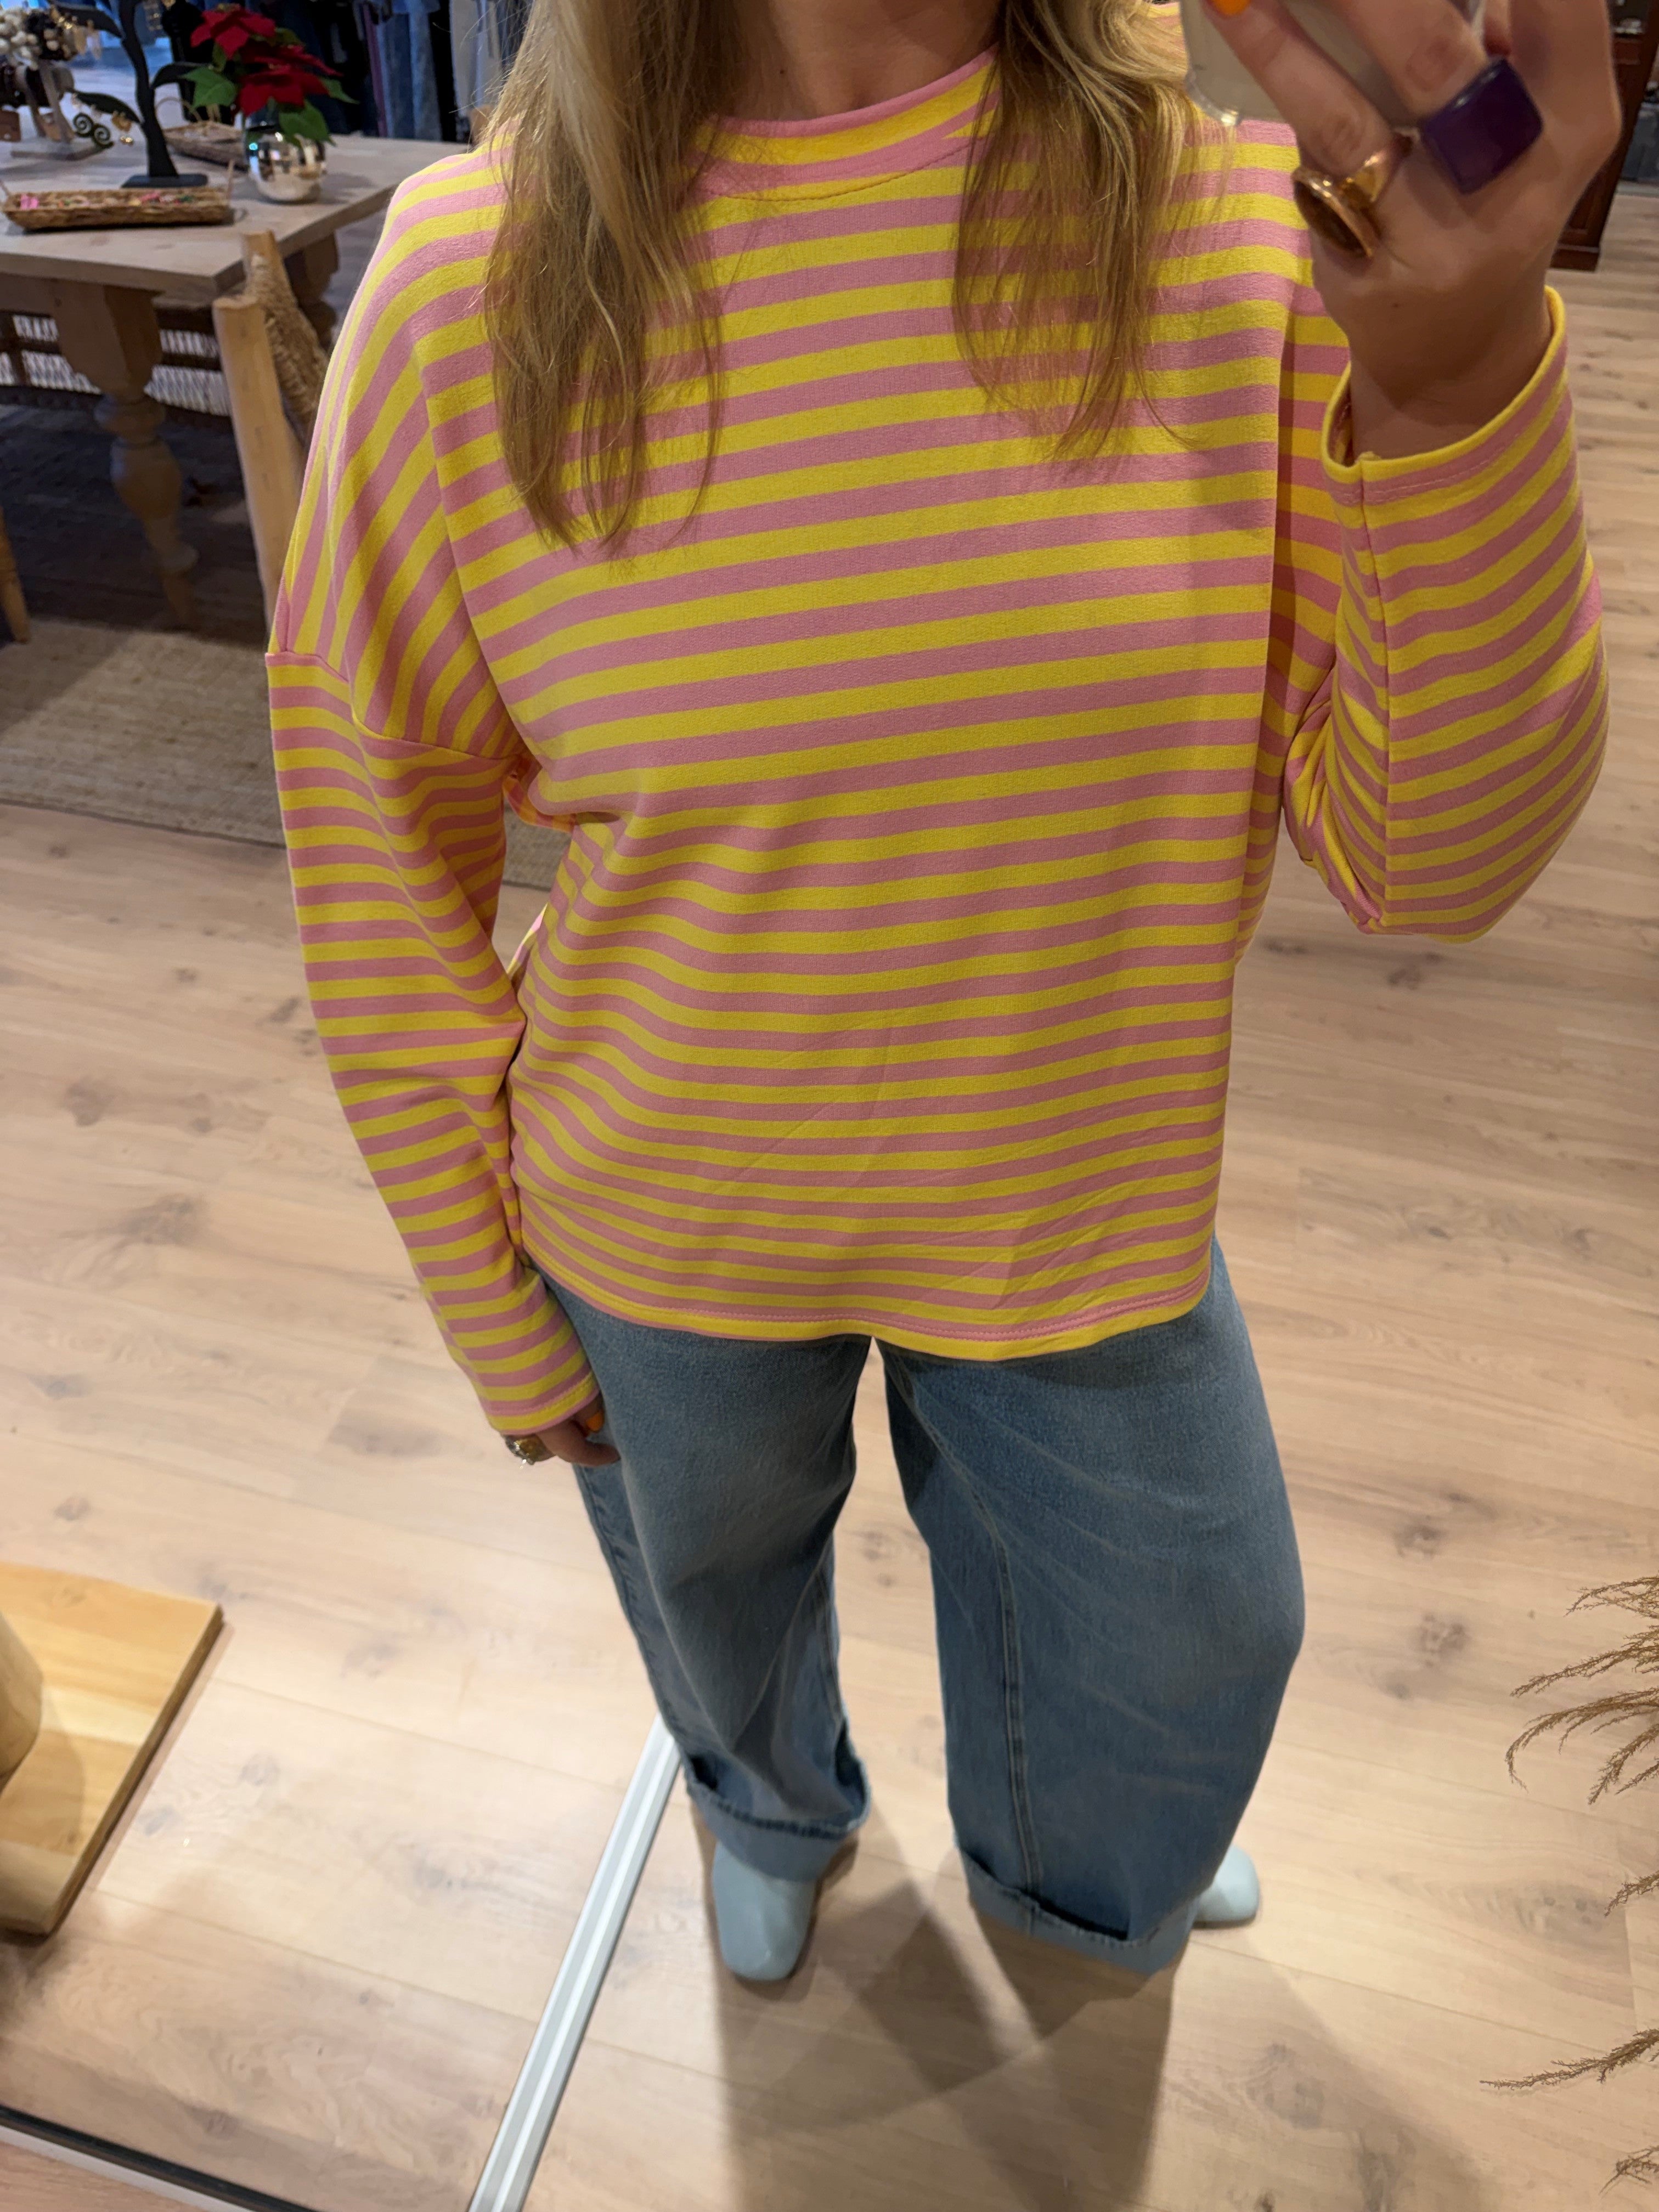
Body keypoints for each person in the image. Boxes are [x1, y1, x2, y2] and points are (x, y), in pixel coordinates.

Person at [269, 0, 1617, 1983]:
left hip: (1078, 1195)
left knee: (1196, 1635)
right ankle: (767, 1810)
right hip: (660, 1212)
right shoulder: (474, 282)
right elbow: (378, 848)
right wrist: (490, 1303)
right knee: (711, 1591)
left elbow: (1434, 863)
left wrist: (1459, 386)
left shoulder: (1236, 239)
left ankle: (1084, 1870)